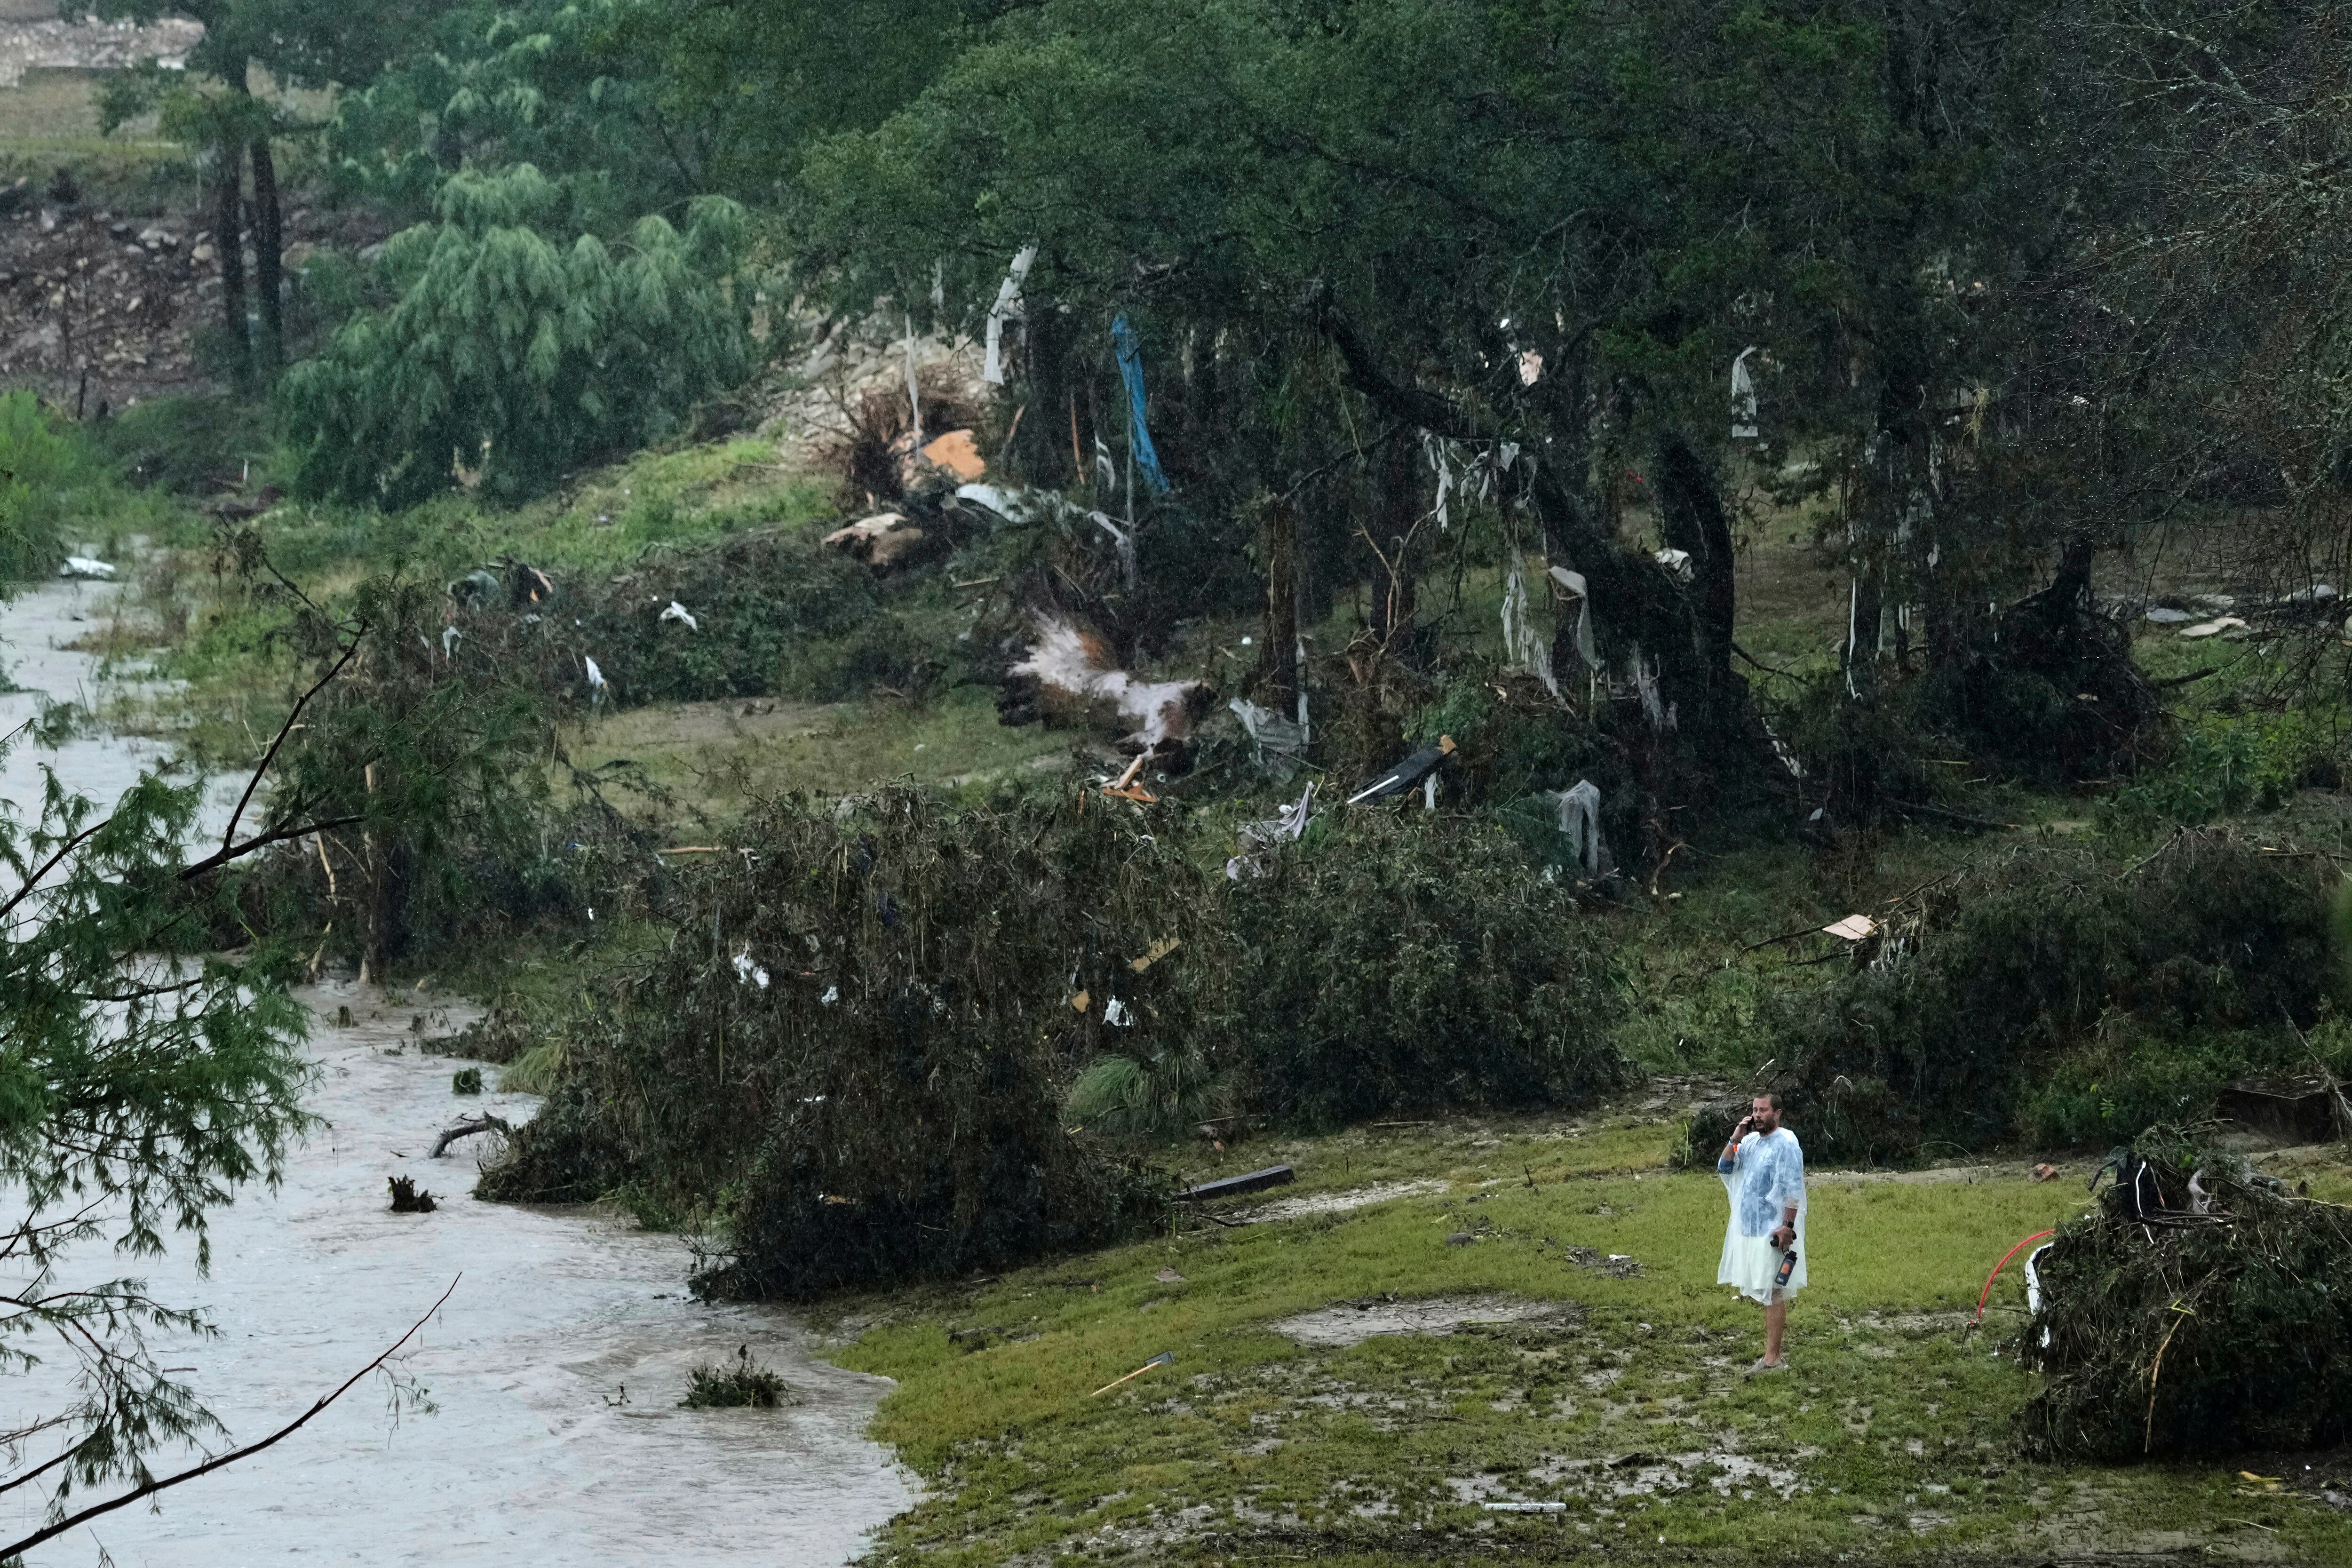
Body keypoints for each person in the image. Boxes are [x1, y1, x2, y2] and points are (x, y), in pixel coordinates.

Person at [1716, 1091, 1806, 1373]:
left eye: (1763, 1110)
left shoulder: (1787, 1142)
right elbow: (1725, 1167)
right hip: (1750, 1228)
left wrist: (1787, 1227)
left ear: (1777, 1113)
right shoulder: (1751, 1141)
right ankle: (1771, 1355)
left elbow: (1793, 1189)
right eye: (1754, 1110)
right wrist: (1736, 1137)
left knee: (1773, 1291)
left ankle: (1773, 1359)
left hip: (1773, 1230)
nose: (1757, 1115)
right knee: (1763, 1290)